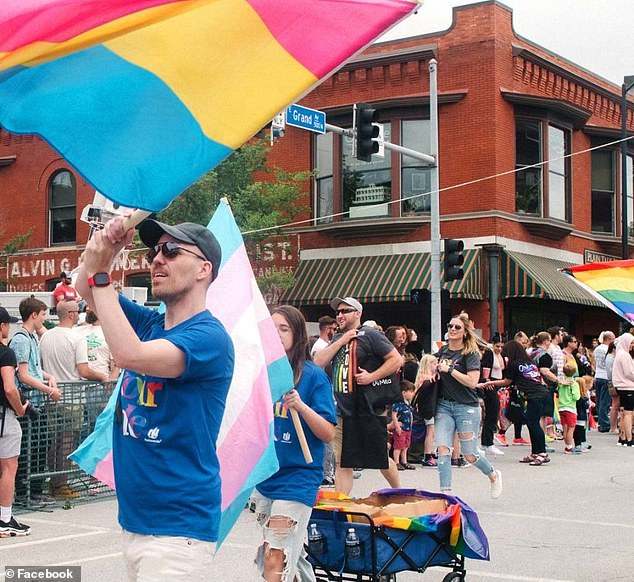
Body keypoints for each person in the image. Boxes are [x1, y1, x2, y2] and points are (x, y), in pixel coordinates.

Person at [76, 217, 234, 581]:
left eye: (172, 250)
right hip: (136, 524)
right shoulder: (151, 323)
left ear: (204, 270)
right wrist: (109, 251)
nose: (157, 259)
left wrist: (102, 276)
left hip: (178, 533)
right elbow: (79, 284)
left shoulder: (209, 337)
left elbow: (129, 355)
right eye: (154, 251)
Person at [253, 305, 336, 582]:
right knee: (289, 555)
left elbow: (327, 433)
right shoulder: (263, 373)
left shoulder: (313, 377)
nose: (276, 334)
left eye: (284, 328)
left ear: (298, 334)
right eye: (272, 328)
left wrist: (301, 406)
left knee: (275, 556)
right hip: (267, 477)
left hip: (298, 478)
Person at [313, 296, 402, 495]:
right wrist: (343, 340)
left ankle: (401, 492)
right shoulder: (337, 338)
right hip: (342, 409)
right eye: (338, 312)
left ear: (358, 314)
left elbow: (396, 360)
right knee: (343, 462)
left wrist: (372, 376)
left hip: (367, 407)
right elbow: (318, 362)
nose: (340, 315)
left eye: (345, 311)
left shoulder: (370, 335)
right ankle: (341, 506)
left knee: (380, 458)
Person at [39, 300, 109, 499]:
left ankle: (53, 481)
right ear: (70, 314)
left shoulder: (46, 337)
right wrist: (103, 377)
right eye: (77, 311)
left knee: (55, 440)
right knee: (68, 440)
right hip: (72, 397)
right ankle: (61, 484)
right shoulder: (77, 338)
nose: (79, 314)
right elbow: (84, 370)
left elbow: (42, 365)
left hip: (51, 396)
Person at [434, 313, 502, 498]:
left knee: (469, 454)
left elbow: (472, 382)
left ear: (465, 332)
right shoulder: (443, 351)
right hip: (444, 405)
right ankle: (446, 494)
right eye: (450, 326)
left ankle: (493, 475)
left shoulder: (470, 353)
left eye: (457, 327)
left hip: (467, 407)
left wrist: (451, 370)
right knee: (443, 449)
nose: (452, 330)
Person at [10, 297, 61, 506]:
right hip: (28, 401)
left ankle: (35, 489)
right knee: (31, 447)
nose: (43, 319)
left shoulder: (30, 337)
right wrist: (49, 390)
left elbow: (32, 369)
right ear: (34, 315)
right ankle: (25, 492)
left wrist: (48, 376)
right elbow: (23, 375)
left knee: (41, 443)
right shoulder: (22, 339)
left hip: (35, 399)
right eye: (42, 315)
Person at [489, 340, 550, 466]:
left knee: (533, 423)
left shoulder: (514, 364)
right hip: (542, 392)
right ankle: (535, 453)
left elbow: (506, 381)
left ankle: (542, 453)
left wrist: (491, 383)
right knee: (531, 422)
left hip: (535, 395)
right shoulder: (530, 363)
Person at [0, 306, 31, 537]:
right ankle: (4, 518)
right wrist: (21, 409)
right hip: (3, 416)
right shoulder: (5, 353)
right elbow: (10, 388)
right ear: (2, 326)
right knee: (9, 466)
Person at [414, 354, 438, 467]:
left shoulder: (422, 377)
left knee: (431, 431)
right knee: (430, 431)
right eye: (434, 363)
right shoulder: (427, 379)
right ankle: (427, 455)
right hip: (428, 408)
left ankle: (429, 453)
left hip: (427, 407)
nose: (436, 365)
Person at [612, 333, 634, 447]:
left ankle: (623, 437)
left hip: (621, 386)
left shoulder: (619, 354)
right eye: (631, 342)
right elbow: (629, 372)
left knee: (623, 412)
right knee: (628, 413)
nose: (632, 345)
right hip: (628, 386)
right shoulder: (624, 355)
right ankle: (629, 438)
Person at [593, 331, 615, 433]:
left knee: (599, 400)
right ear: (609, 339)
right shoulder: (607, 350)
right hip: (606, 376)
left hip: (598, 375)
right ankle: (605, 423)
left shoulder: (597, 349)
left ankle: (601, 423)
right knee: (605, 402)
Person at [391, 380, 416, 470]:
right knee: (398, 446)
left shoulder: (408, 403)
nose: (413, 394)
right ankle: (396, 462)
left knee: (405, 446)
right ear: (404, 393)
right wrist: (397, 426)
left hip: (408, 428)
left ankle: (404, 462)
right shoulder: (398, 403)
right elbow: (394, 415)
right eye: (411, 392)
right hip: (401, 428)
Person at [558, 362, 581, 454]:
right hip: (570, 407)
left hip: (561, 407)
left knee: (565, 428)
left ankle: (566, 445)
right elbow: (576, 397)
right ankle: (569, 447)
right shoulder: (574, 384)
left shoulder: (561, 383)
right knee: (571, 428)